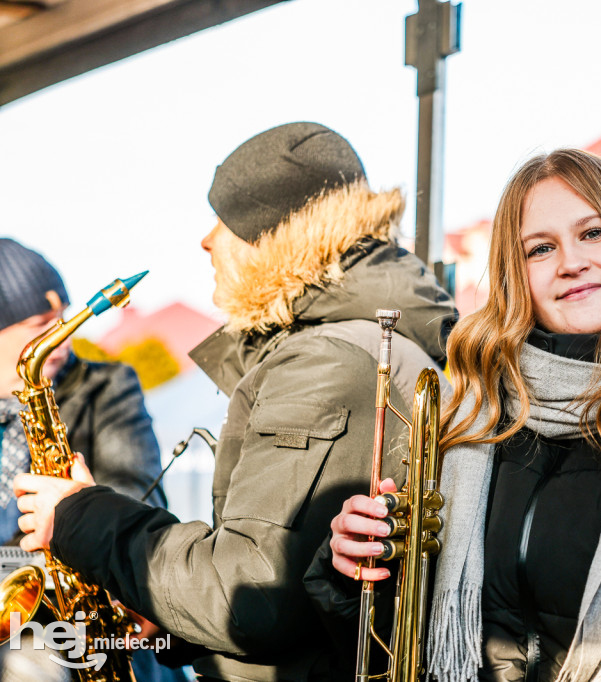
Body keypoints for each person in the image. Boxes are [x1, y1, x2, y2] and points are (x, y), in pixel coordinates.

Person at [317, 148, 601, 681]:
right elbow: (399, 637)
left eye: (593, 233)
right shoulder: (472, 409)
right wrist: (357, 565)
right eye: (540, 249)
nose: (570, 263)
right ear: (516, 276)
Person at [13, 122, 458, 681]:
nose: (206, 240)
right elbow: (298, 589)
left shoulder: (324, 361)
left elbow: (249, 597)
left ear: (271, 236)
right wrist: (166, 612)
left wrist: (79, 515)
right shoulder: (355, 343)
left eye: (224, 220)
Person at [0, 238, 176, 681]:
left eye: (64, 318)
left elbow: (136, 494)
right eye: (42, 323)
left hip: (84, 623)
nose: (61, 335)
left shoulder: (109, 386)